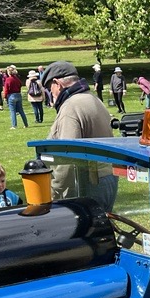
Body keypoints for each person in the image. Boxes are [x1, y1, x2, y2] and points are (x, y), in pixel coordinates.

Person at [39, 60, 117, 211]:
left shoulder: (71, 106)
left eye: (50, 88)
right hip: (107, 177)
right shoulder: (93, 99)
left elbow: (67, 156)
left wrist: (55, 190)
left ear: (57, 84)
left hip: (88, 183)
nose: (51, 93)